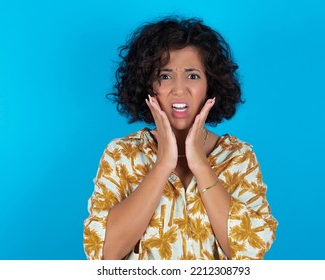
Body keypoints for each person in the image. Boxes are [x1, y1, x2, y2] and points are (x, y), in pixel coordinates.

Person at [83, 17, 277, 260]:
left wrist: (200, 164)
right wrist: (163, 164)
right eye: (164, 76)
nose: (178, 89)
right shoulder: (121, 154)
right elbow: (103, 254)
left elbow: (251, 251)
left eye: (193, 76)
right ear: (148, 85)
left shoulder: (238, 157)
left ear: (210, 85)